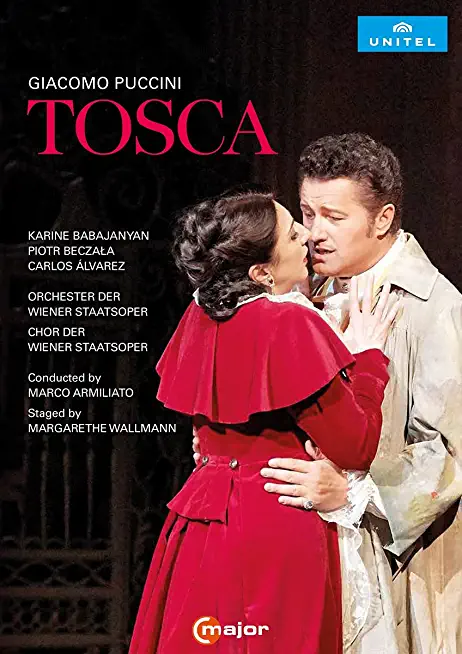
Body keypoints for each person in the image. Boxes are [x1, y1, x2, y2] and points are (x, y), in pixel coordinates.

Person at [128, 190, 399, 653]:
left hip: (202, 527)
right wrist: (369, 359)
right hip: (274, 522)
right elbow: (356, 446)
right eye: (293, 234)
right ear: (261, 273)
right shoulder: (288, 324)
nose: (308, 236)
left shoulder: (200, 313)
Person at [253, 133, 462, 653]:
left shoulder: (436, 309)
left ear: (383, 219)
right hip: (304, 549)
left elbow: (449, 453)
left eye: (334, 216)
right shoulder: (304, 292)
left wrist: (350, 494)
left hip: (394, 561)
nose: (314, 232)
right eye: (307, 213)